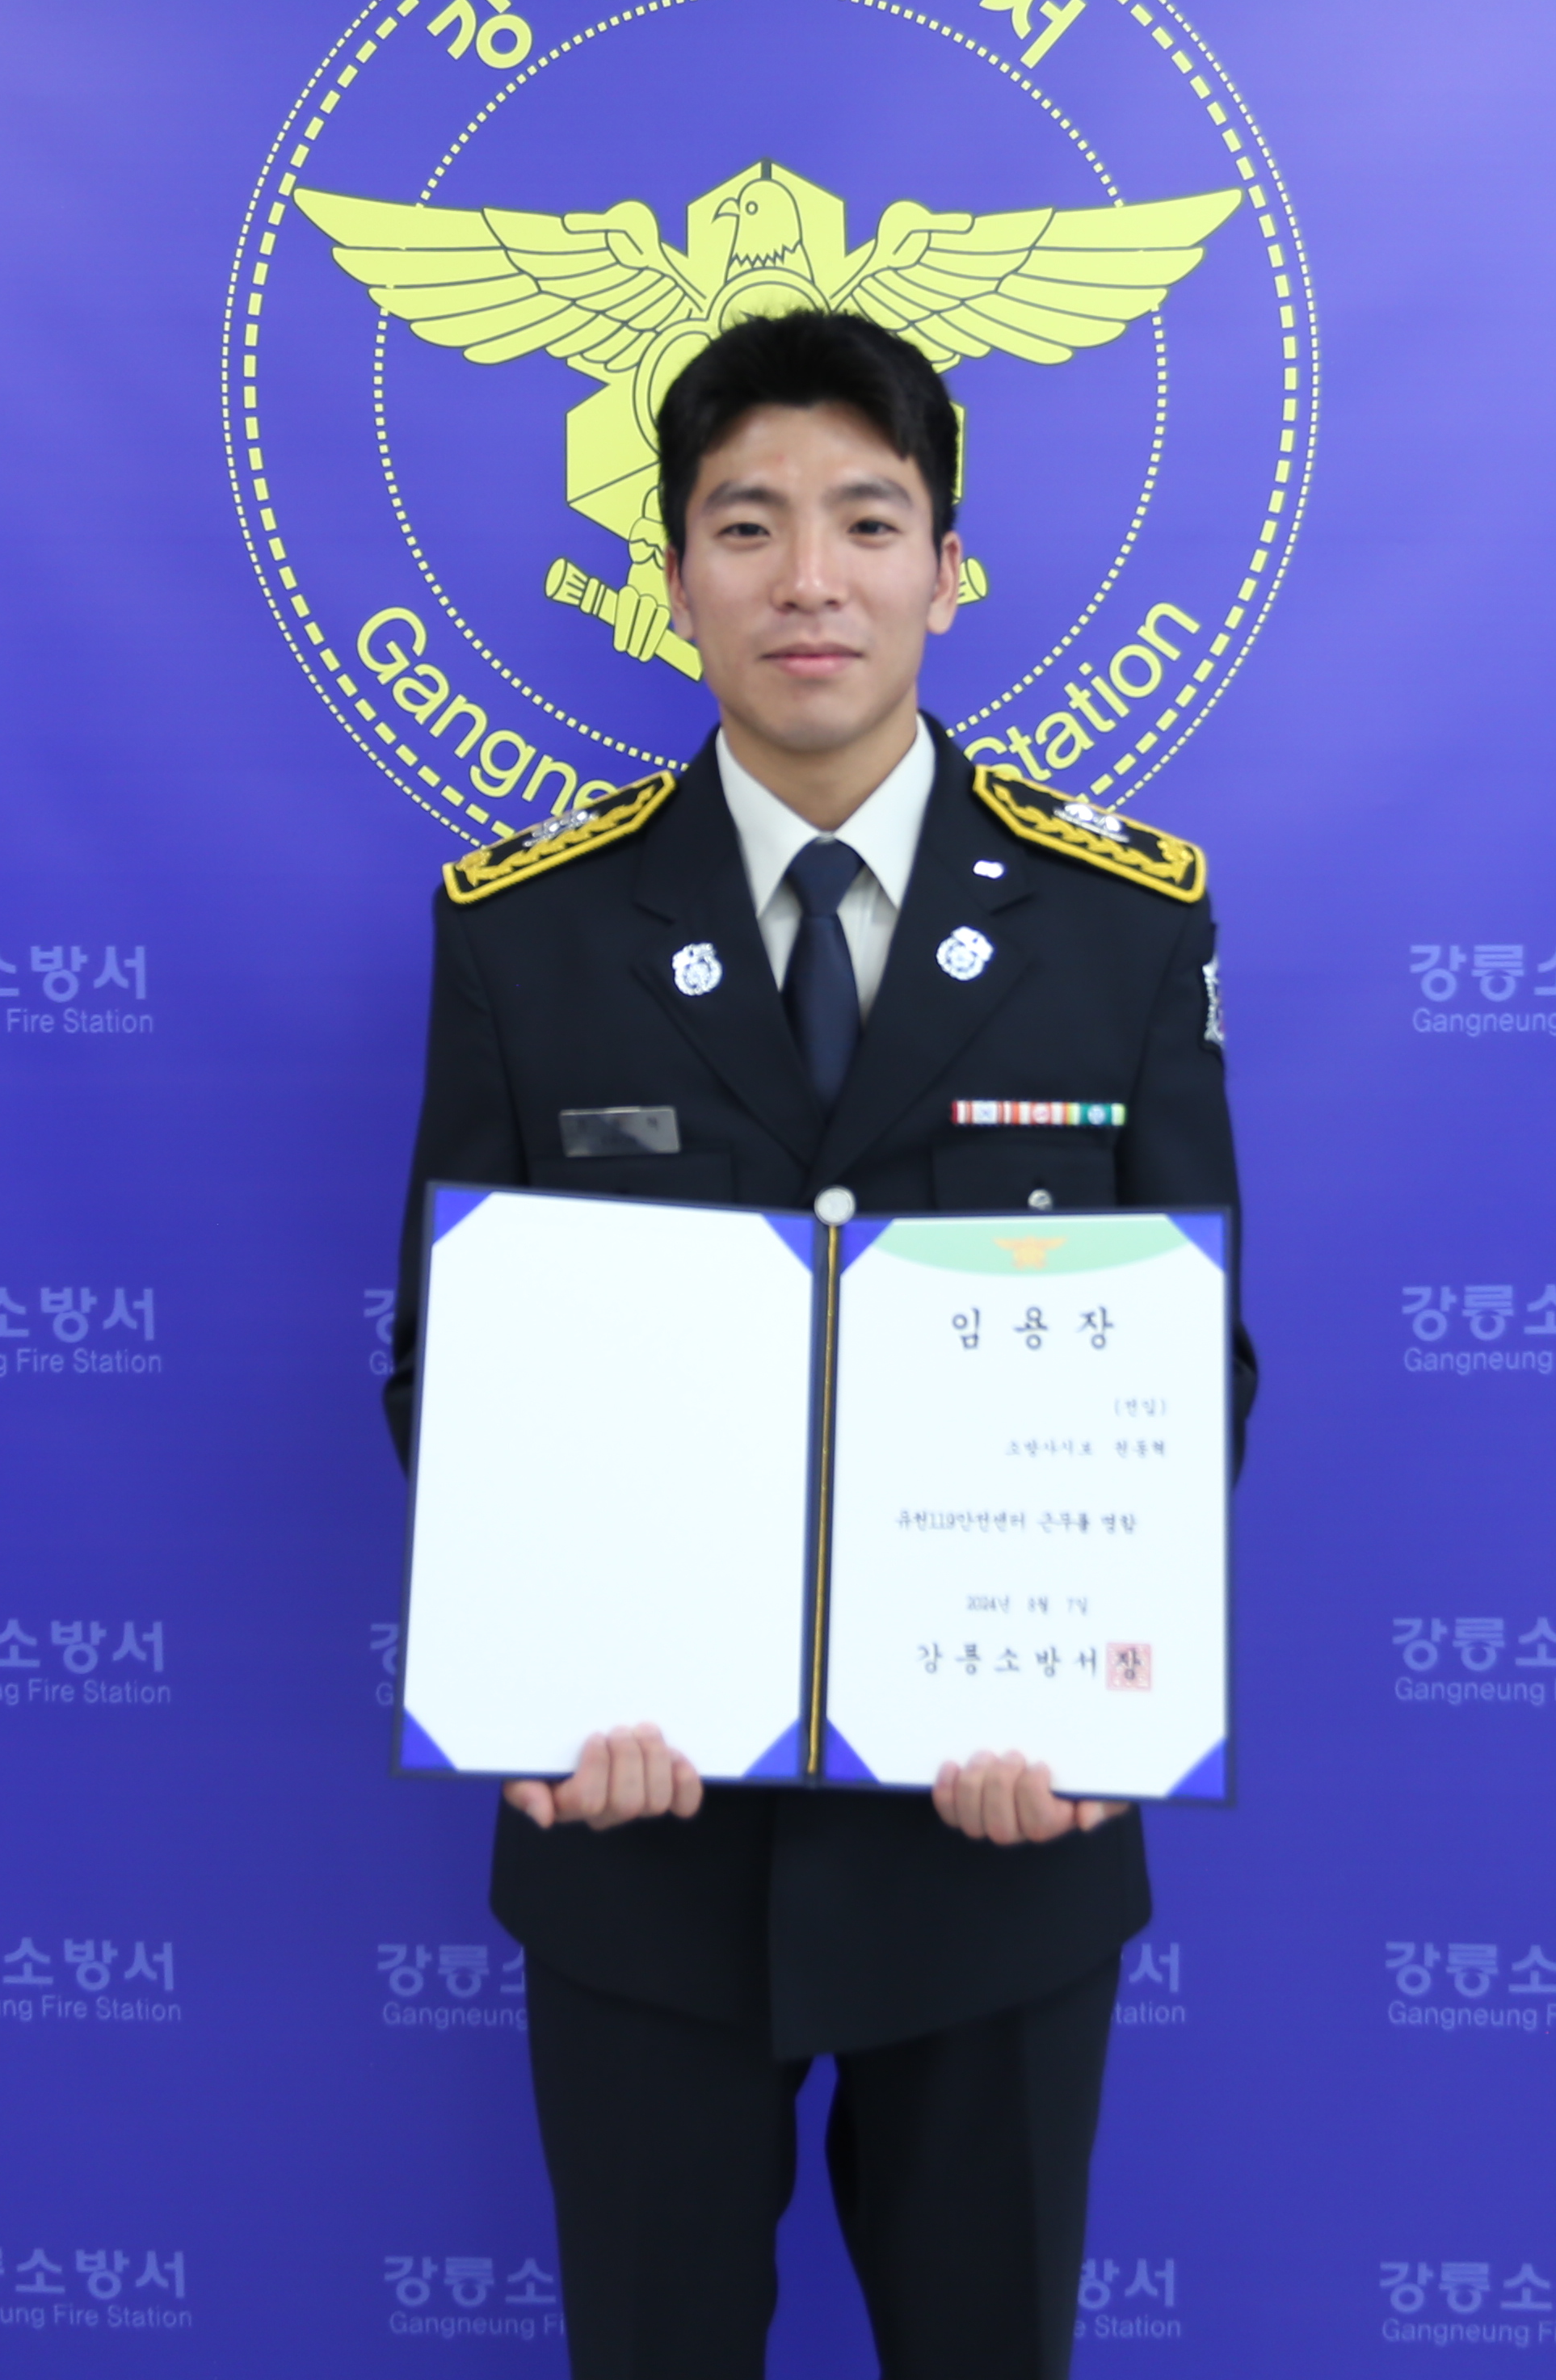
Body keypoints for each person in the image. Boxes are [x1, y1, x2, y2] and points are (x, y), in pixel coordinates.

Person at [382, 308, 1255, 2380]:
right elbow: (453, 1373)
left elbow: (1189, 1372)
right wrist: (545, 1672)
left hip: (998, 1842)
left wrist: (1076, 1684)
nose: (811, 579)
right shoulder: (529, 931)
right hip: (645, 1839)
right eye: (747, 524)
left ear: (948, 568)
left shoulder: (1121, 925)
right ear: (673, 576)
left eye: (869, 523)